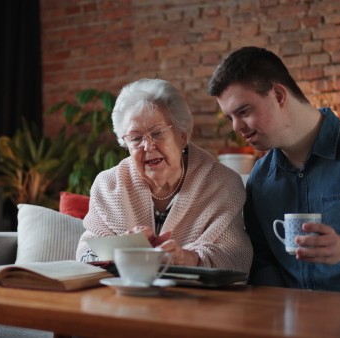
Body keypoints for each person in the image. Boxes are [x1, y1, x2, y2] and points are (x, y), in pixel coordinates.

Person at [207, 46, 340, 297]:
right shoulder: (261, 177)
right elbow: (263, 261)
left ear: (278, 95)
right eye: (230, 117)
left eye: (243, 111)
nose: (236, 127)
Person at [75, 78, 253, 273]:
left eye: (157, 133)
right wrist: (119, 249)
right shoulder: (108, 185)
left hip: (196, 299)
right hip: (127, 295)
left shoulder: (222, 184)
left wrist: (189, 258)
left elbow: (236, 257)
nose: (148, 146)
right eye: (135, 138)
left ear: (183, 135)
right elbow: (87, 251)